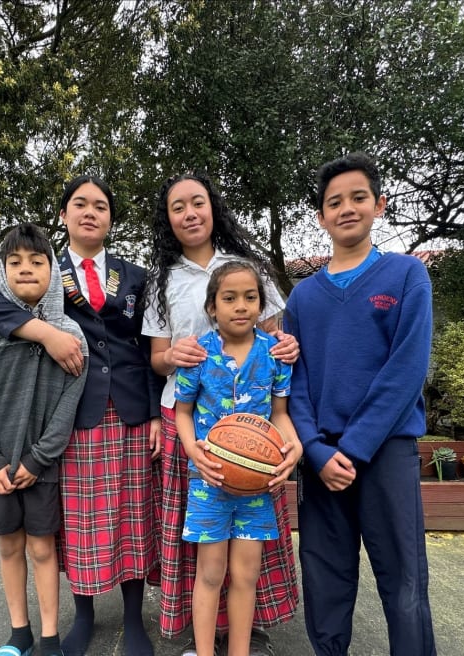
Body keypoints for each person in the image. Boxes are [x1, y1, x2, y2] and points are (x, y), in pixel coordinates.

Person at [0, 175, 162, 656]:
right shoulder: (46, 270)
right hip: (74, 408)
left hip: (132, 406)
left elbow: (152, 340)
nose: (90, 211)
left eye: (100, 205)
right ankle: (85, 615)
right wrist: (44, 333)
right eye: (79, 204)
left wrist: (157, 411)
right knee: (80, 521)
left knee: (133, 513)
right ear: (64, 215)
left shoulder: (135, 276)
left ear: (111, 218)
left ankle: (133, 618)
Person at [142, 172, 300, 656]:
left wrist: (287, 345)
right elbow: (157, 359)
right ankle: (202, 641)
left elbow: (274, 340)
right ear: (167, 219)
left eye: (198, 203)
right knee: (203, 559)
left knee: (247, 565)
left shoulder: (248, 268)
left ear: (213, 208)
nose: (190, 213)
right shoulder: (162, 280)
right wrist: (177, 357)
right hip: (197, 431)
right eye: (178, 207)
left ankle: (243, 638)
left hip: (253, 439)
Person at [285, 152, 437, 656]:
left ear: (380, 205)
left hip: (386, 449)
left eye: (357, 198)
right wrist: (315, 450)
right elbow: (295, 381)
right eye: (334, 202)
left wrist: (354, 446)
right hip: (321, 458)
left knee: (403, 579)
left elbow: (407, 369)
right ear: (321, 216)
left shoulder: (406, 276)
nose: (346, 208)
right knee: (325, 579)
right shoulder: (303, 297)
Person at [0, 222, 88, 656]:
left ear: (54, 271)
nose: (26, 269)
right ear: (1, 271)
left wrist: (39, 460)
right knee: (10, 545)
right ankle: (20, 634)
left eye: (37, 261)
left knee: (42, 547)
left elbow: (68, 406)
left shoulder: (72, 337)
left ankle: (50, 636)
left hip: (42, 467)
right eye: (14, 262)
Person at [173, 261, 303, 656]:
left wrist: (293, 446)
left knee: (247, 576)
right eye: (229, 298)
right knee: (210, 575)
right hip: (208, 481)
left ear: (261, 305)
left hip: (257, 486)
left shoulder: (275, 354)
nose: (241, 306)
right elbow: (181, 412)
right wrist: (193, 447)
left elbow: (280, 414)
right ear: (213, 306)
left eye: (250, 297)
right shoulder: (197, 353)